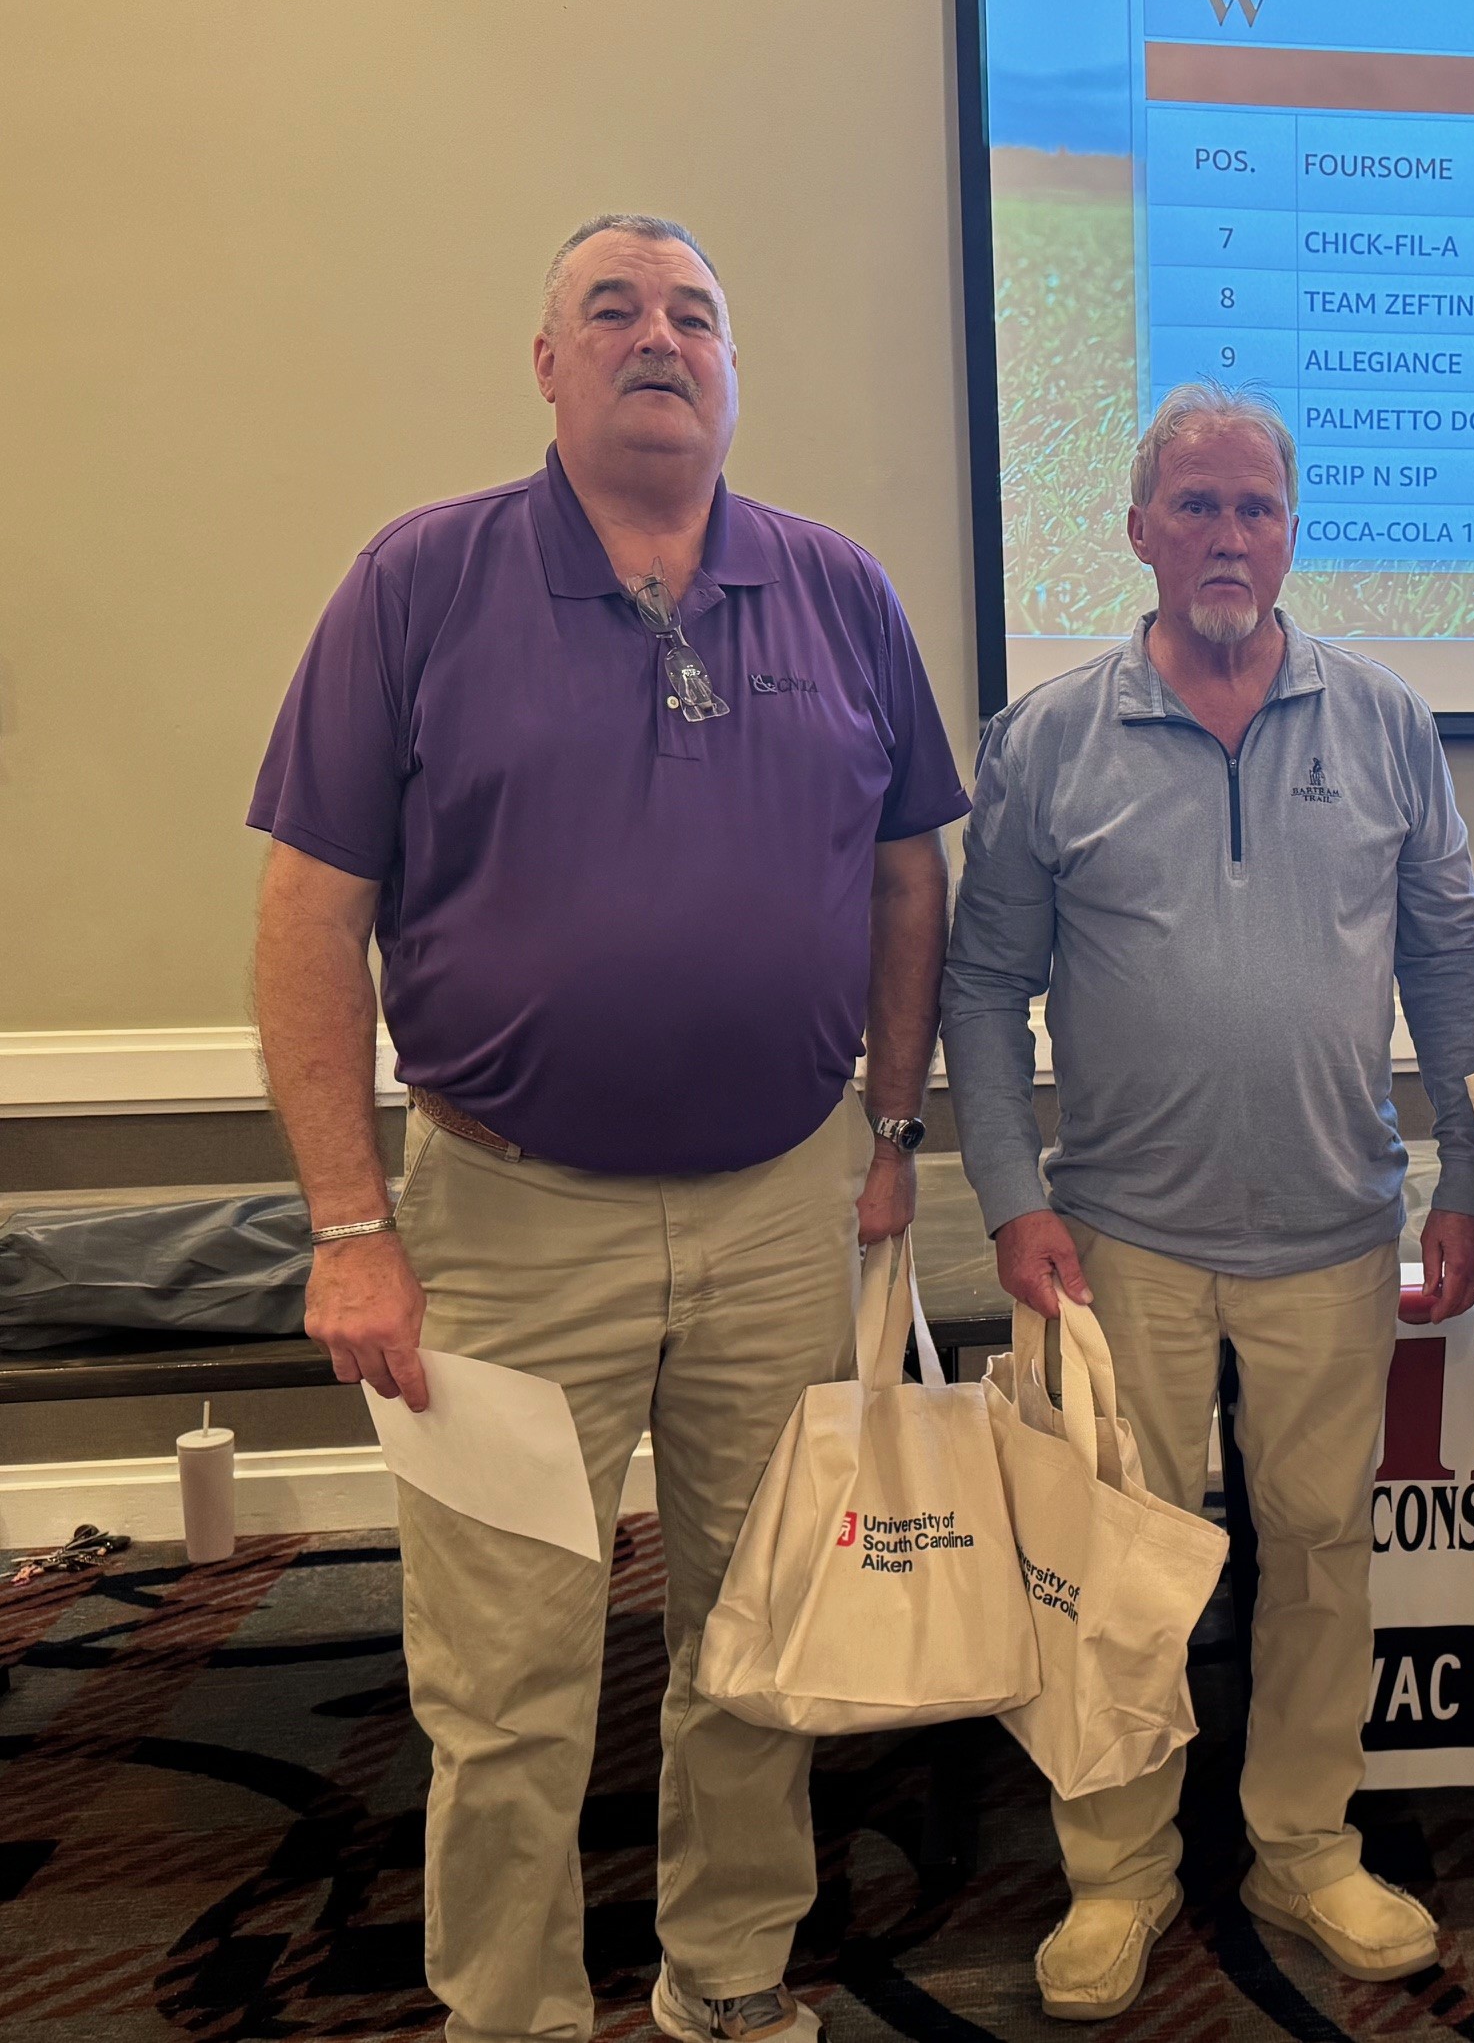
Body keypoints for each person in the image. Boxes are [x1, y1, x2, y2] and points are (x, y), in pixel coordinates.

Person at [249, 215, 966, 2043]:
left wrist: (894, 1125)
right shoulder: (419, 583)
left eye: (696, 314)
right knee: (504, 1678)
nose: (662, 336)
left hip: (782, 1209)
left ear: (733, 370)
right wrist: (350, 1225)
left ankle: (728, 1975)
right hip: (502, 1223)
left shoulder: (839, 590)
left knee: (761, 1635)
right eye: (616, 309)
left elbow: (910, 878)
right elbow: (310, 915)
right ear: (548, 363)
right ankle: (513, 2013)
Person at [941, 382, 1474, 2020]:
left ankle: (1301, 1846)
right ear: (1136, 529)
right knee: (1118, 1558)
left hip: (1336, 1228)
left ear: (1293, 529)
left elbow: (1448, 964)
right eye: (1196, 504)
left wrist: (1470, 1175)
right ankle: (1116, 1870)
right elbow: (983, 986)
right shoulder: (1049, 737)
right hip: (1116, 1236)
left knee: (1321, 1550)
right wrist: (1008, 1194)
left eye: (1256, 505)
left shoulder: (1384, 721)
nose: (1228, 535)